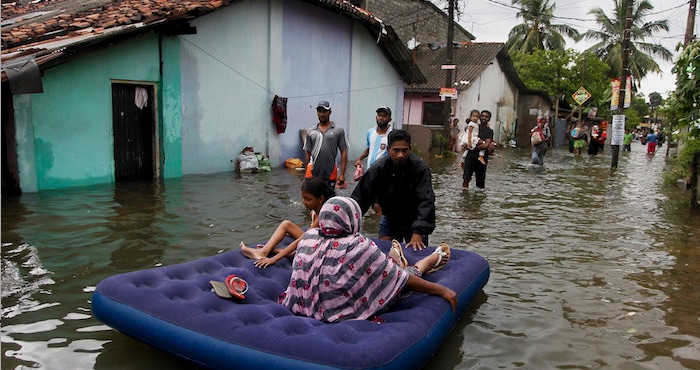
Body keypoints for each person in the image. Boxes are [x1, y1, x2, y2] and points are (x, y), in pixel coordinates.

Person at [278, 196, 457, 323]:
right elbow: (400, 279)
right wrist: (442, 291)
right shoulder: (358, 245)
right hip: (341, 310)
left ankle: (395, 255)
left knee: (385, 268)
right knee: (404, 274)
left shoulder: (309, 237)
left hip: (303, 306)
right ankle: (432, 258)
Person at [351, 129, 435, 251]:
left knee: (417, 253)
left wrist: (418, 231)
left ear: (410, 149)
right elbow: (360, 198)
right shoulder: (378, 168)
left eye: (404, 150)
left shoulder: (420, 169)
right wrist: (348, 226)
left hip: (415, 218)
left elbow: (426, 201)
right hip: (390, 217)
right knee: (382, 252)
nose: (400, 155)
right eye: (396, 150)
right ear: (388, 149)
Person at [240, 177, 335, 268]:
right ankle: (269, 250)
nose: (304, 202)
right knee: (287, 225)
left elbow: (304, 238)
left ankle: (265, 252)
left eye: (308, 199)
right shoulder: (314, 211)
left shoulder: (323, 214)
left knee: (287, 226)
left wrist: (273, 259)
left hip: (323, 247)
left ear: (321, 199)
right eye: (303, 198)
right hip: (316, 239)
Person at [304, 101, 348, 189]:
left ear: (330, 112)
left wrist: (342, 174)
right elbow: (307, 153)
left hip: (330, 171)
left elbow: (343, 151)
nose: (322, 114)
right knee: (311, 199)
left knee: (328, 199)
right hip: (312, 171)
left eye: (324, 111)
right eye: (319, 111)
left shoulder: (338, 130)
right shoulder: (311, 131)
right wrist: (306, 172)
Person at [461, 110, 496, 188]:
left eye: (486, 117)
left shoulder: (489, 131)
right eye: (482, 116)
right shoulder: (474, 127)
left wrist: (472, 147)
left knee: (480, 183)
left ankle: (479, 199)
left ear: (489, 119)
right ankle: (464, 196)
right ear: (480, 117)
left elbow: (486, 145)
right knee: (466, 179)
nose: (484, 118)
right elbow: (467, 138)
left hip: (482, 158)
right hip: (470, 157)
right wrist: (468, 145)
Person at [354, 106, 392, 170]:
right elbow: (369, 148)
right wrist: (359, 159)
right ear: (376, 117)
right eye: (379, 115)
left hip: (384, 173)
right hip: (370, 171)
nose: (381, 118)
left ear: (389, 119)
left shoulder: (392, 135)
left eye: (384, 116)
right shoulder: (370, 132)